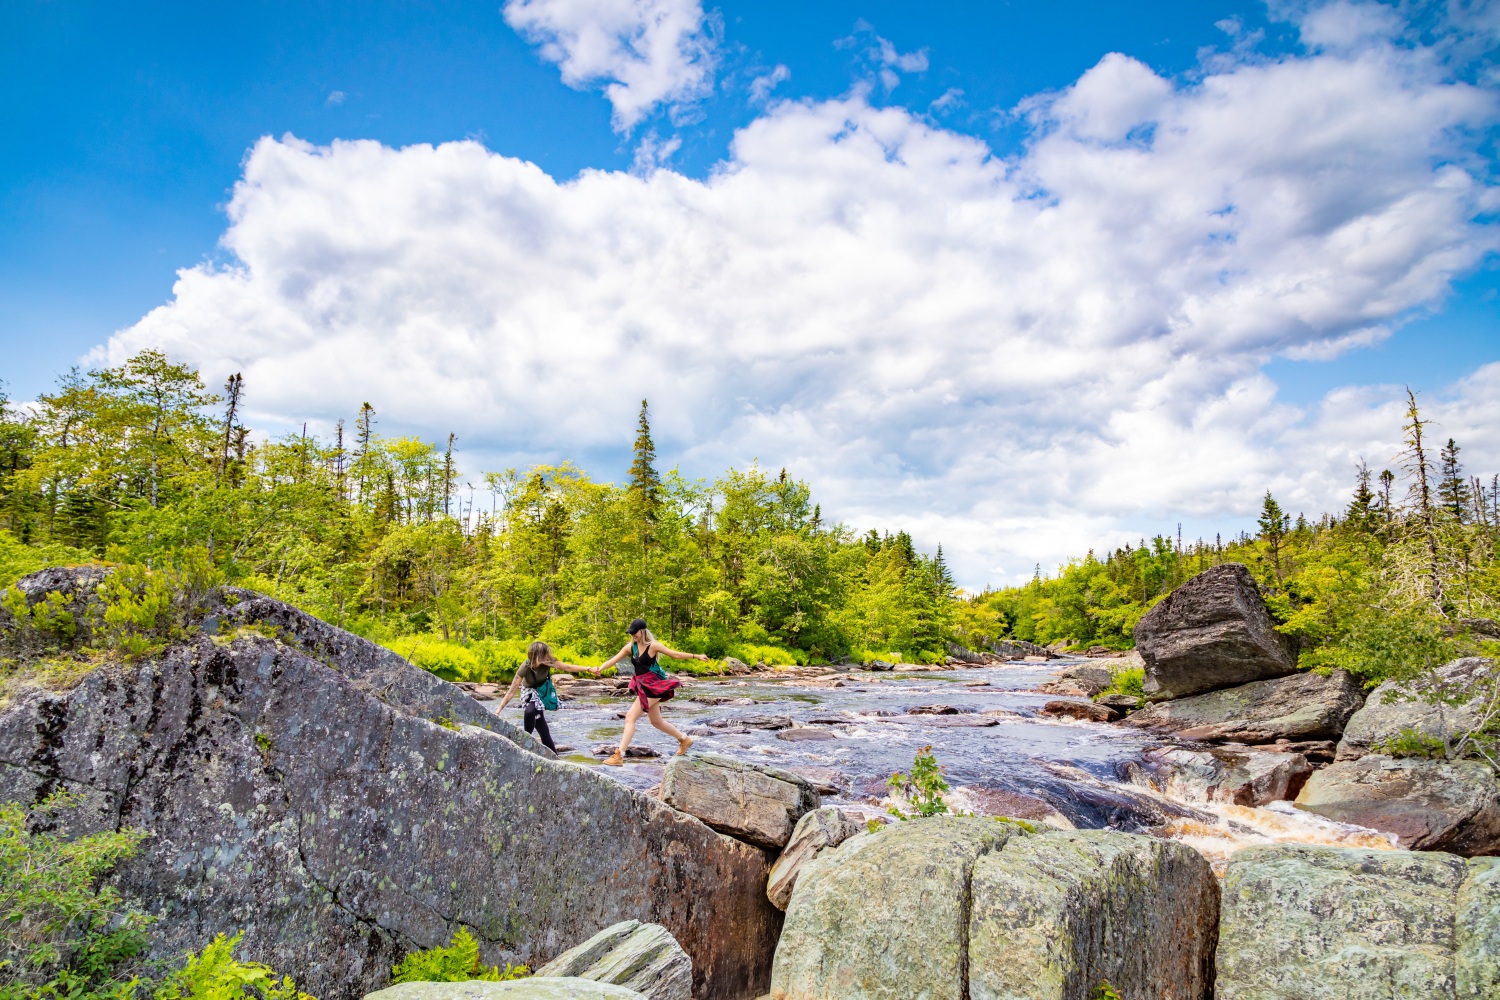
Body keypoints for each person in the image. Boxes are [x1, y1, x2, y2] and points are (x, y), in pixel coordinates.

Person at [596, 617, 708, 766]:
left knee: (630, 717)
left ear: (642, 632)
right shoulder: (631, 647)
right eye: (631, 633)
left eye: (635, 633)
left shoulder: (653, 646)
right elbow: (613, 660)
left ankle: (619, 756)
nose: (633, 635)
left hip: (655, 686)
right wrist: (600, 668)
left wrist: (697, 656)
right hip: (643, 686)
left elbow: (675, 655)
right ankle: (684, 739)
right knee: (656, 722)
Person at [497, 640, 598, 754]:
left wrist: (588, 669)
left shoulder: (549, 662)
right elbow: (511, 691)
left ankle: (553, 757)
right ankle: (526, 742)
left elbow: (568, 667)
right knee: (536, 720)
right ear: (538, 655)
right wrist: (498, 711)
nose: (548, 655)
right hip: (528, 692)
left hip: (542, 692)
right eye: (545, 653)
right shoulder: (525, 667)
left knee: (540, 725)